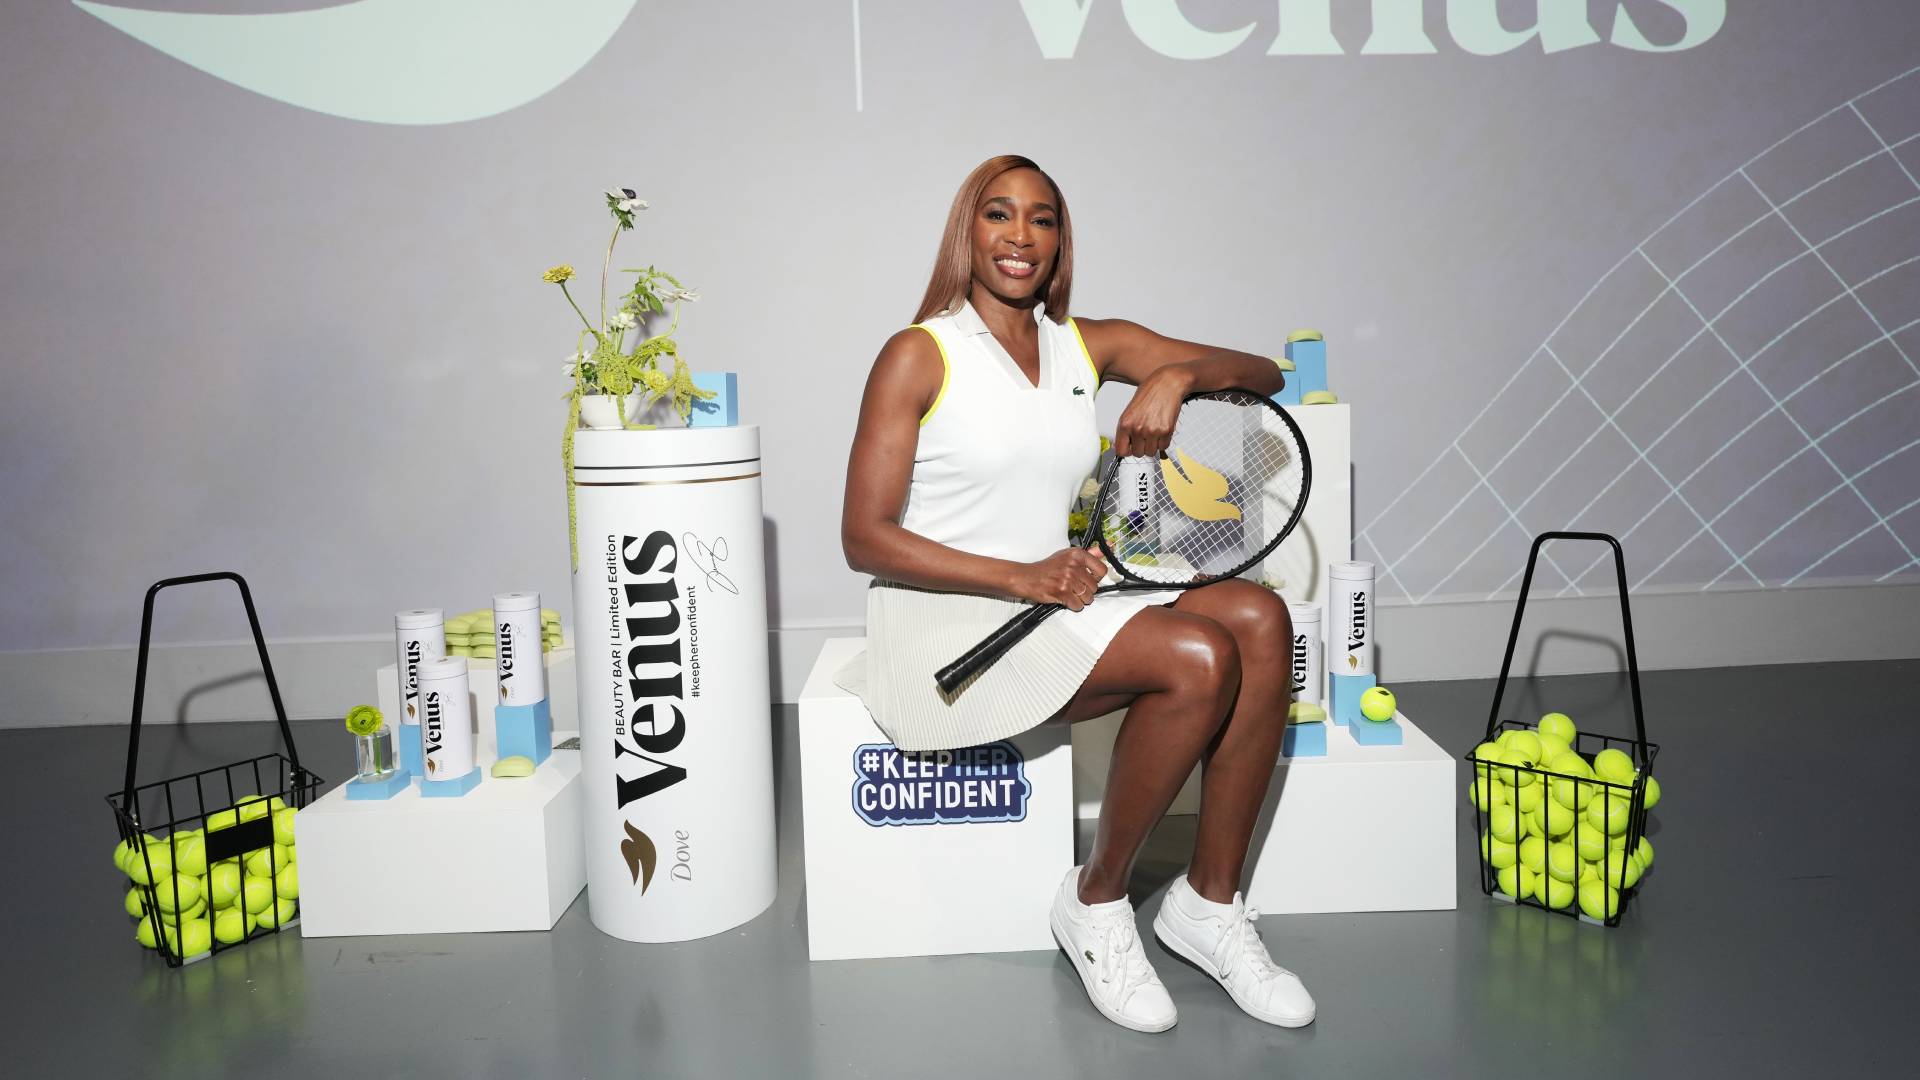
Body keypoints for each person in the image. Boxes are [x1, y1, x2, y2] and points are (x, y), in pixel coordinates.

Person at [836, 155, 1312, 1034]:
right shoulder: (918, 354)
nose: (1021, 236)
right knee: (1201, 655)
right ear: (966, 231)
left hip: (1051, 604)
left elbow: (1266, 374)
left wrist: (1175, 376)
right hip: (946, 628)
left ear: (1060, 242)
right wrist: (1022, 576)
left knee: (1261, 616)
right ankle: (1096, 901)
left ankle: (1209, 906)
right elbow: (865, 536)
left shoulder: (1085, 346)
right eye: (999, 215)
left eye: (1043, 220)